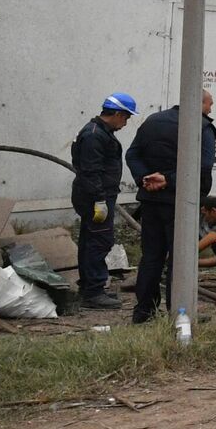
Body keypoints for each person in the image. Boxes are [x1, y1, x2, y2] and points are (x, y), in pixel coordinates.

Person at [124, 90, 216, 325]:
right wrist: (168, 179)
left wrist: (144, 178)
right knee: (180, 258)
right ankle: (178, 312)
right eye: (209, 105)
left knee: (151, 257)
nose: (210, 110)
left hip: (151, 201)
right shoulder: (201, 127)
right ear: (198, 102)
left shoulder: (153, 121)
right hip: (181, 202)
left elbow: (132, 154)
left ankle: (143, 311)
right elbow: (203, 166)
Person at [70, 92, 137, 309]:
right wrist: (99, 200)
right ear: (117, 114)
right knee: (100, 241)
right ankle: (94, 292)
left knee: (91, 240)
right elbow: (91, 171)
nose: (126, 123)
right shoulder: (94, 135)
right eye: (126, 117)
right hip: (94, 197)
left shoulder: (98, 132)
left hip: (95, 195)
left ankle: (90, 287)